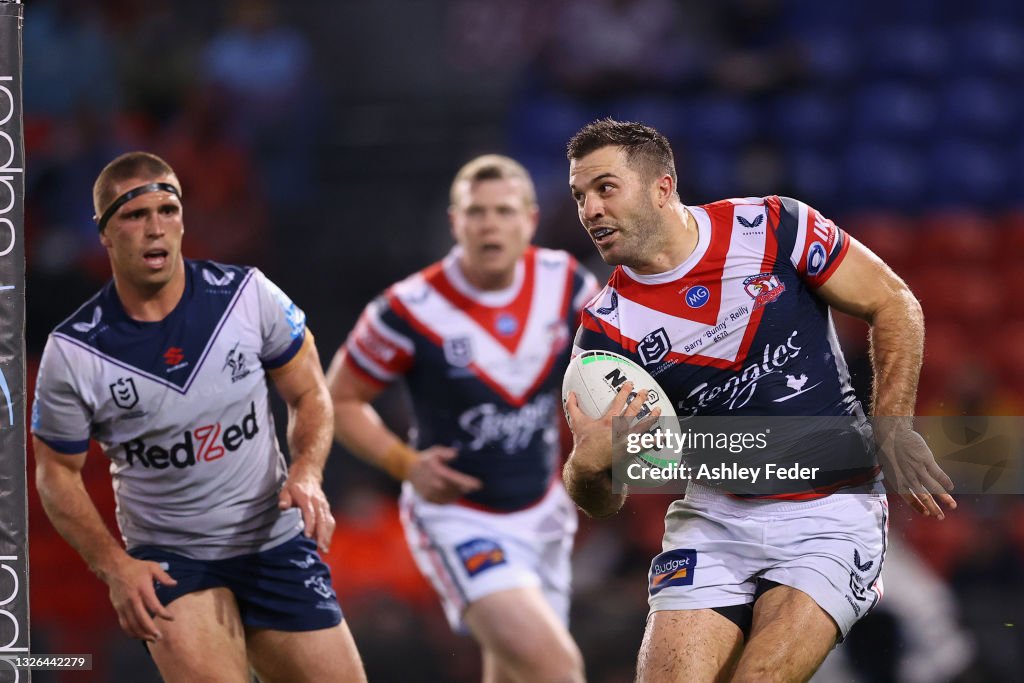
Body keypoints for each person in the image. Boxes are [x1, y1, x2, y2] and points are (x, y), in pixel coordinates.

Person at [561, 119, 957, 682]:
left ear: (662, 187)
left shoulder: (772, 227)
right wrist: (589, 463)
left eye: (605, 187)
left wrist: (891, 426)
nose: (590, 209)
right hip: (715, 520)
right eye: (579, 196)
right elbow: (601, 500)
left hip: (831, 513)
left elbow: (894, 301)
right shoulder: (603, 333)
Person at [32, 151, 366, 683]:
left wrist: (306, 470)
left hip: (272, 541)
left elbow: (310, 393)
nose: (155, 229)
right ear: (103, 231)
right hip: (172, 561)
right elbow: (55, 473)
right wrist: (114, 567)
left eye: (167, 210)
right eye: (134, 216)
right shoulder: (75, 352)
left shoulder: (248, 296)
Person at [327, 154, 597, 683]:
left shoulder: (567, 284)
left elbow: (612, 362)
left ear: (530, 219)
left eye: (503, 211)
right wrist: (404, 463)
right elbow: (338, 399)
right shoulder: (408, 308)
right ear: (455, 223)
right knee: (555, 667)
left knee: (515, 671)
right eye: (476, 212)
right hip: (460, 518)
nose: (490, 224)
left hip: (543, 512)